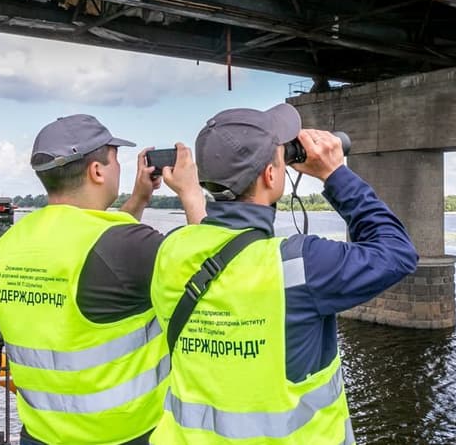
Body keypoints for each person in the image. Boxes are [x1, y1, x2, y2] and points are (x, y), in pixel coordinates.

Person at [148, 103, 418, 444]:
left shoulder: (170, 250)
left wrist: (190, 192)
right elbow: (398, 252)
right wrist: (335, 174)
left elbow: (214, 242)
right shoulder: (301, 264)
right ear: (271, 176)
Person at [0, 114, 206, 445]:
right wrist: (192, 193)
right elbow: (215, 274)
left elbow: (98, 250)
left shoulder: (0, 252)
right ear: (97, 172)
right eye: (114, 160)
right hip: (129, 436)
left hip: (40, 435)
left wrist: (139, 199)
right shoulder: (126, 247)